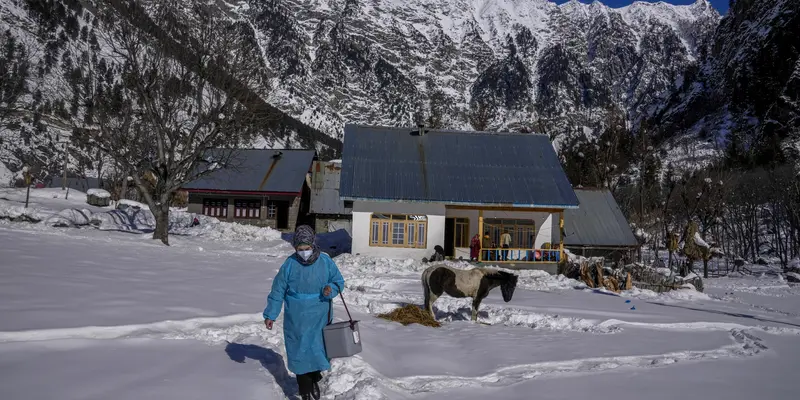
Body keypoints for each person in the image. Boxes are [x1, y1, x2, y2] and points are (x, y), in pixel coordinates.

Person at [263, 225, 345, 400]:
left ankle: (314, 378)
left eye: (306, 248)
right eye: (300, 249)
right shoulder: (290, 264)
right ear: (295, 248)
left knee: (317, 351)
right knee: (299, 351)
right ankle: (305, 388)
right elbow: (278, 291)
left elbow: (338, 281)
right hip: (297, 318)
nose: (304, 252)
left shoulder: (325, 262)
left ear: (313, 245)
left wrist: (331, 289)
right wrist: (271, 314)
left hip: (319, 315)